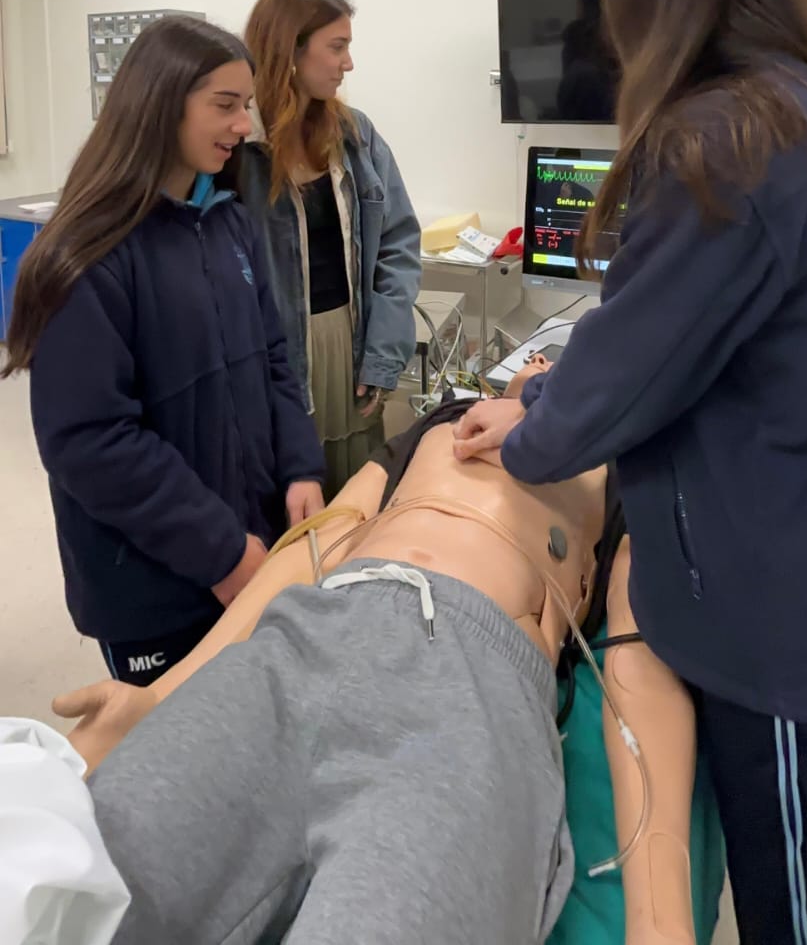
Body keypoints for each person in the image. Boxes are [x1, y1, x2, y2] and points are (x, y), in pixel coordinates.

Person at [454, 0, 807, 945]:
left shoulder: (726, 139)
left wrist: (526, 424)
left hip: (790, 641)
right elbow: (669, 330)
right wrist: (550, 394)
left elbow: (613, 385)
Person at [52, 359, 723, 945]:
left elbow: (637, 662)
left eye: (566, 359)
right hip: (303, 638)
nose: (545, 363)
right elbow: (314, 547)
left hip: (464, 693)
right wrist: (161, 696)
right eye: (539, 359)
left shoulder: (619, 466)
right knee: (80, 884)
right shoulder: (439, 424)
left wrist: (660, 916)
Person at [3, 17, 325, 684]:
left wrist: (300, 467)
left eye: (247, 105)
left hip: (252, 546)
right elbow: (91, 441)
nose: (244, 125)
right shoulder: (85, 256)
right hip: (157, 587)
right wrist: (221, 552)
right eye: (225, 105)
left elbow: (274, 356)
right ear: (159, 103)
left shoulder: (230, 222)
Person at [242, 0, 420, 499]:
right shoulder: (240, 150)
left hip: (350, 340)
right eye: (337, 47)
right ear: (290, 51)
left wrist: (383, 351)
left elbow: (398, 245)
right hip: (275, 354)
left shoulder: (354, 134)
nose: (348, 64)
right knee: (285, 498)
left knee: (355, 497)